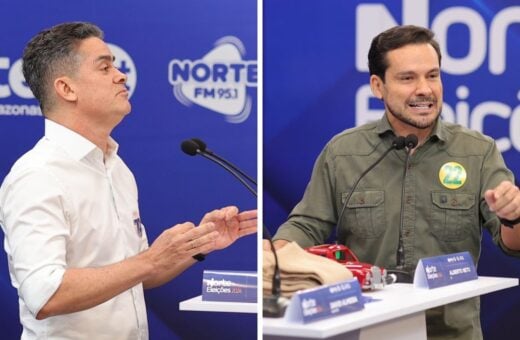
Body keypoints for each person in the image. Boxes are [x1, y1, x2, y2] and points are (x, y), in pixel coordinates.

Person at [0, 22, 257, 340]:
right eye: (104, 66)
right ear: (66, 89)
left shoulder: (116, 168)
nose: (120, 75)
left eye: (116, 65)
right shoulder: (37, 176)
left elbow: (139, 274)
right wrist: (151, 259)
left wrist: (197, 245)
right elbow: (45, 295)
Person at [266, 25, 520, 340]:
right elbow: (306, 226)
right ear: (378, 86)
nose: (425, 89)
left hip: (451, 333)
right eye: (407, 78)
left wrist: (514, 215)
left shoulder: (478, 151)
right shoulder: (344, 152)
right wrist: (275, 255)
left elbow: (513, 245)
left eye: (432, 75)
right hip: (364, 328)